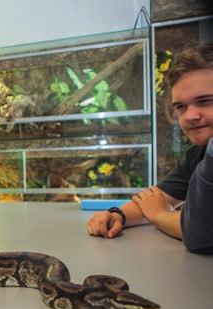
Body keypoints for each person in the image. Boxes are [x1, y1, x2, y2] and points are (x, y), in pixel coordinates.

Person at [87, 43, 213, 241]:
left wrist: (160, 215)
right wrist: (116, 215)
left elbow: (201, 231)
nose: (189, 116)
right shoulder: (199, 153)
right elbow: (155, 197)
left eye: (205, 101)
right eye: (180, 106)